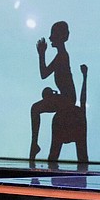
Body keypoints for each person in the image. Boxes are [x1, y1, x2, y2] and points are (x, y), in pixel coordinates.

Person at [30, 21, 77, 160]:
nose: (50, 38)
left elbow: (44, 74)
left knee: (35, 108)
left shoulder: (62, 56)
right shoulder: (60, 56)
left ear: (61, 36)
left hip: (67, 99)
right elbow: (44, 74)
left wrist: (41, 54)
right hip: (64, 97)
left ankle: (34, 143)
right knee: (37, 106)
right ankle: (34, 144)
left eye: (53, 35)